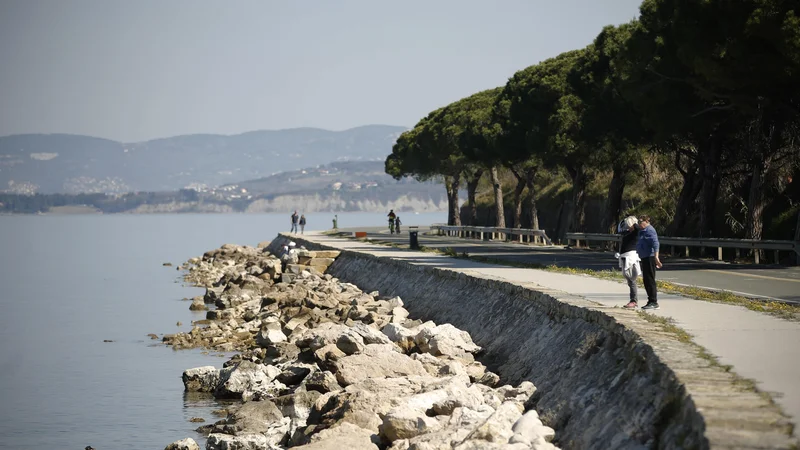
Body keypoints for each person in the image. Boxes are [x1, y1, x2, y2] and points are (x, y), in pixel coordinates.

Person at [636, 214, 663, 310]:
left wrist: (656, 257)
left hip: (650, 257)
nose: (639, 224)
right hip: (644, 257)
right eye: (638, 222)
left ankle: (654, 302)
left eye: (641, 222)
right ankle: (650, 301)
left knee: (650, 280)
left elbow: (655, 243)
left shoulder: (650, 230)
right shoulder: (642, 231)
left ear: (647, 221)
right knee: (646, 280)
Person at [616, 216, 641, 309]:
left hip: (630, 258)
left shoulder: (635, 233)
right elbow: (621, 230)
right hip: (625, 257)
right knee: (629, 280)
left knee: (632, 280)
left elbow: (638, 229)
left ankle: (634, 301)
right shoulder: (627, 233)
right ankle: (633, 300)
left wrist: (633, 223)